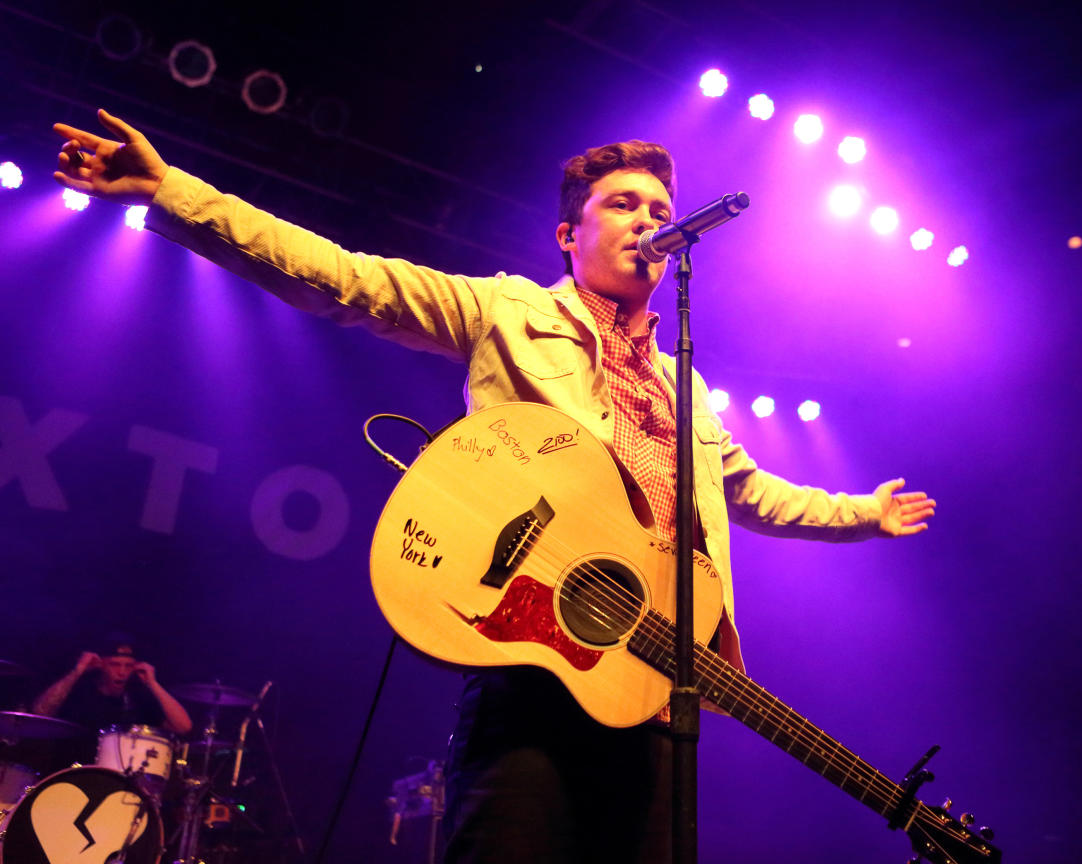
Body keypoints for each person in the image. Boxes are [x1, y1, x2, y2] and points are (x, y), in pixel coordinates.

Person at [51, 110, 936, 863]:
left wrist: (863, 513)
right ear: (568, 234)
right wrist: (173, 195)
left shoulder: (687, 387)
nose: (647, 221)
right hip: (534, 667)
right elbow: (342, 279)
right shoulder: (506, 311)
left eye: (659, 210)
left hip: (661, 688)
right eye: (621, 204)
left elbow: (753, 494)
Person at [32, 633, 193, 738]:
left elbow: (183, 727)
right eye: (115, 665)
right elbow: (40, 712)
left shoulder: (139, 698)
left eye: (128, 666)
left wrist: (153, 683)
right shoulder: (80, 690)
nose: (122, 672)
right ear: (101, 665)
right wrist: (78, 671)